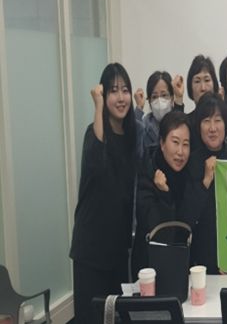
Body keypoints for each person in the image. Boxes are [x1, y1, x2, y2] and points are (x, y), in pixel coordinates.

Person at [70, 63, 144, 324]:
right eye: (113, 91)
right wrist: (98, 106)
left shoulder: (132, 135)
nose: (121, 97)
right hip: (91, 248)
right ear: (103, 95)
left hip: (118, 249)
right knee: (91, 318)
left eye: (125, 90)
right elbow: (97, 165)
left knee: (114, 318)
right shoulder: (94, 133)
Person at [183, 93, 227, 273]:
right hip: (201, 258)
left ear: (226, 124)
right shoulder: (191, 162)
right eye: (206, 121)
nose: (212, 128)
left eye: (218, 120)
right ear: (198, 126)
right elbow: (187, 216)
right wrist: (205, 181)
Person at [133, 111, 192, 272]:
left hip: (181, 264)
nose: (180, 151)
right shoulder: (148, 169)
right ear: (162, 143)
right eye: (175, 142)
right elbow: (154, 227)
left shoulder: (189, 174)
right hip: (149, 266)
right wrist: (164, 194)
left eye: (186, 144)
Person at [134, 71, 185, 150]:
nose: (159, 101)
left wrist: (179, 98)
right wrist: (139, 108)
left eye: (164, 95)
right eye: (154, 97)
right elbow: (133, 143)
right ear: (149, 101)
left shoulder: (179, 120)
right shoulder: (145, 126)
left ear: (171, 98)